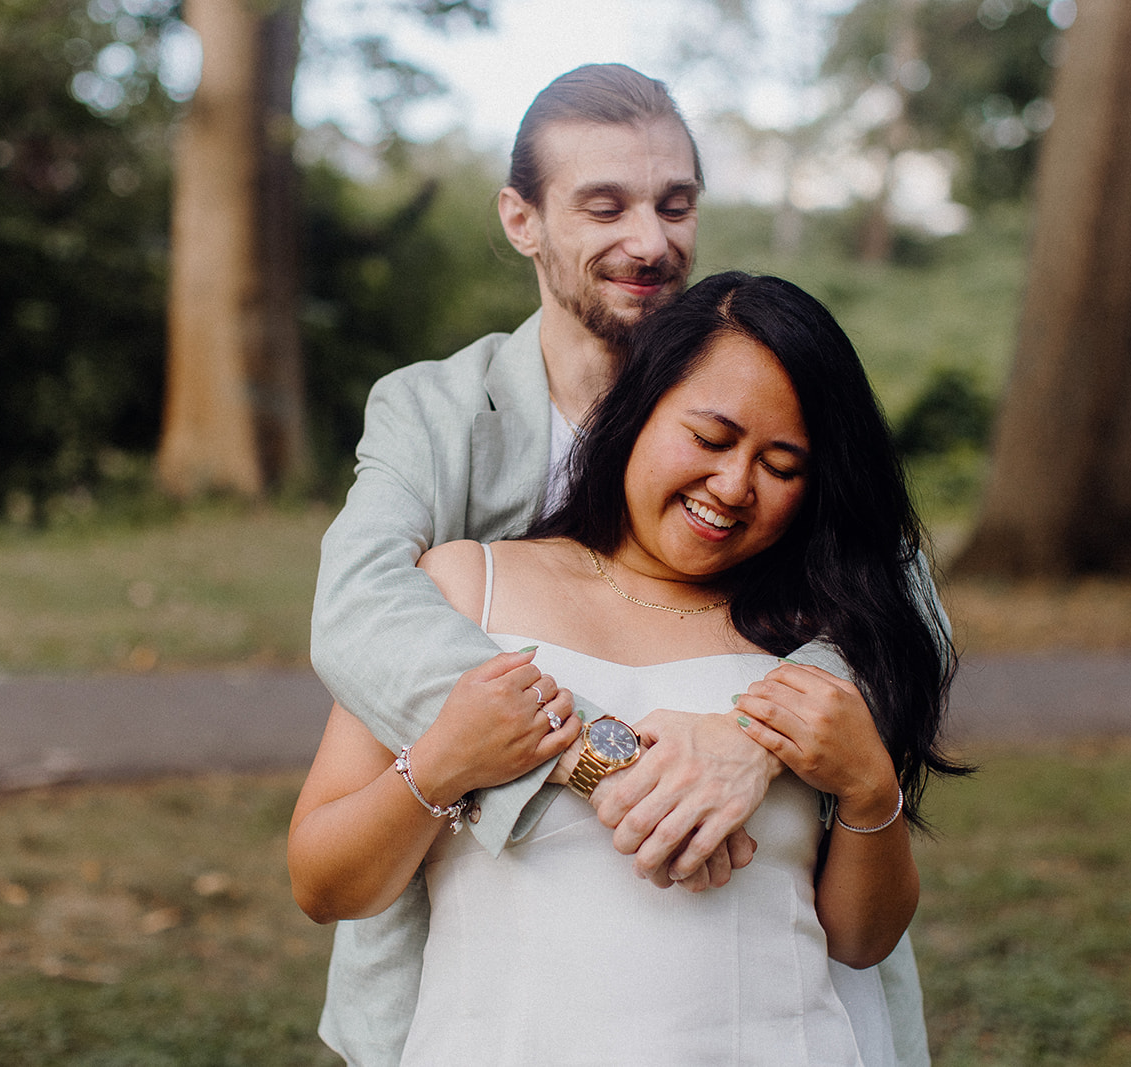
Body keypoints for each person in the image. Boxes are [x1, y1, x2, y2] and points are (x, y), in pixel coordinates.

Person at [308, 64, 945, 1066]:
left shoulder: (771, 385)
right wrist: (599, 755)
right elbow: (359, 607)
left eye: (675, 204)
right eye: (604, 206)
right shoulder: (437, 416)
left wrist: (750, 738)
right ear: (521, 220)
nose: (650, 241)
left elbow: (897, 608)